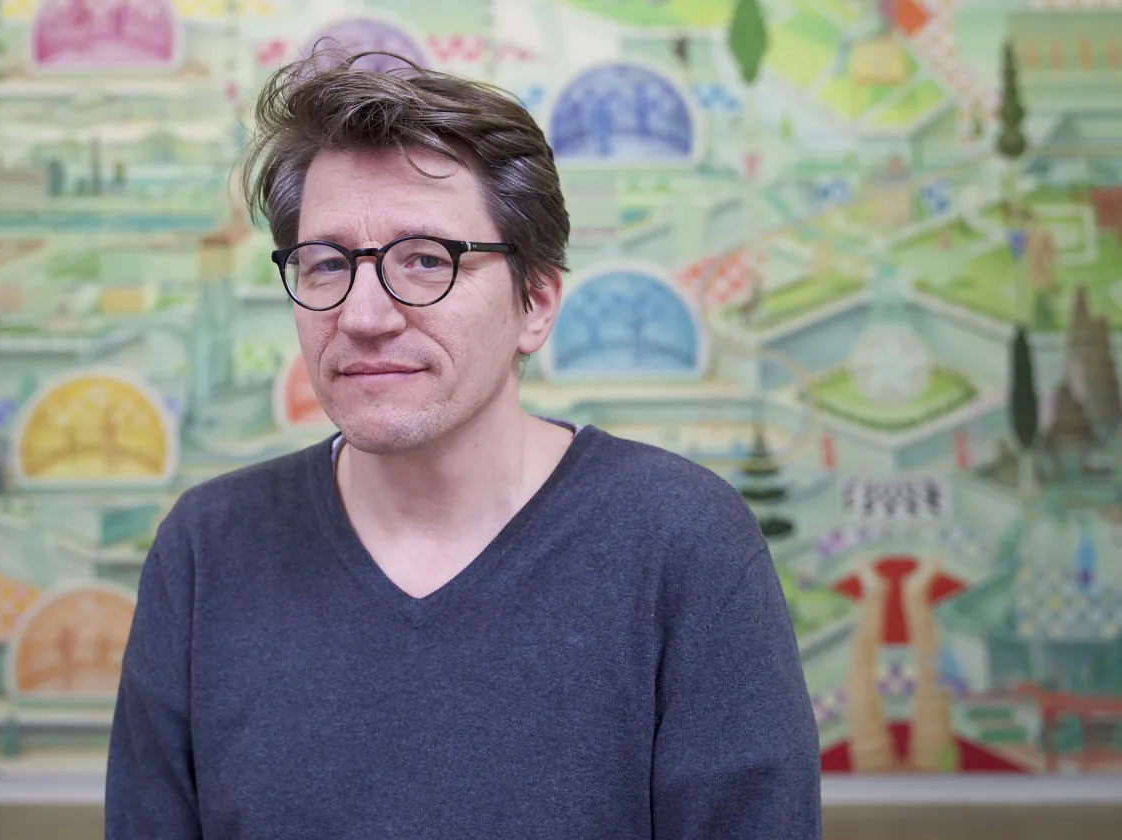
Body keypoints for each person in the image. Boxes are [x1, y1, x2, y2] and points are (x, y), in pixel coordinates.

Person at [106, 49, 821, 839]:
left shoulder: (683, 542)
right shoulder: (207, 549)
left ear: (535, 302)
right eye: (326, 264)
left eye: (425, 260)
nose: (364, 315)